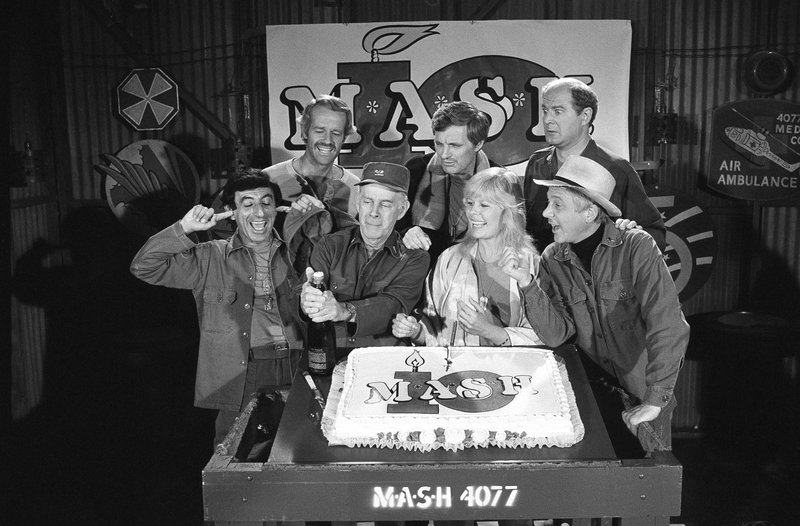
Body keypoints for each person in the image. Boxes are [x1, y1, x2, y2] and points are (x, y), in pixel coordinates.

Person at [506, 155, 688, 453]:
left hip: (642, 394)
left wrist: (655, 400)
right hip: (589, 392)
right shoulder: (553, 257)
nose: (547, 212)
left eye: (558, 204)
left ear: (590, 212)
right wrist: (528, 284)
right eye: (549, 202)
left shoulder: (636, 246)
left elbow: (667, 323)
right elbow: (557, 335)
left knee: (649, 481)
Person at [130, 170, 305, 446]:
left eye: (266, 202)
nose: (259, 213)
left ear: (277, 207)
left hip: (298, 365)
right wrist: (184, 228)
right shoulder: (210, 257)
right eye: (247, 204)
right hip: (245, 373)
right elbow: (144, 267)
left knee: (300, 449)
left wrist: (317, 213)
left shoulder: (299, 251)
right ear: (231, 212)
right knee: (237, 457)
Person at [392, 167, 543, 348]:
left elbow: (546, 335)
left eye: (484, 205)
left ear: (508, 212)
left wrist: (490, 331)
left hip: (512, 373)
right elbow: (435, 329)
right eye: (470, 203)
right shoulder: (449, 260)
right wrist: (416, 331)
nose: (472, 212)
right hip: (456, 373)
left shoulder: (532, 265)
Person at [523, 78, 666, 253]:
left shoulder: (616, 169)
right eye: (545, 111)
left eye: (557, 111)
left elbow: (655, 236)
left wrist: (631, 238)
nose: (547, 120)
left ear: (585, 116)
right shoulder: (536, 163)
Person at [300, 162, 430, 350]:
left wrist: (344, 311)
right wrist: (307, 301)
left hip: (382, 364)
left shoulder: (414, 257)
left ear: (402, 210)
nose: (374, 213)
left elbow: (393, 305)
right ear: (358, 202)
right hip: (329, 358)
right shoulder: (329, 245)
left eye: (385, 204)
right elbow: (306, 295)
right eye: (368, 202)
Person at [401, 100, 500, 262]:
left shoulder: (499, 181)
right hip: (424, 272)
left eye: (455, 145)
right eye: (439, 144)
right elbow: (392, 227)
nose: (444, 154)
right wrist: (407, 232)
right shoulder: (415, 171)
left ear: (478, 144)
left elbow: (513, 240)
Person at [263, 94, 360, 225]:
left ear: (344, 138)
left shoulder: (356, 189)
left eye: (336, 133)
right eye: (320, 131)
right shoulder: (268, 179)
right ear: (304, 132)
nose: (327, 140)